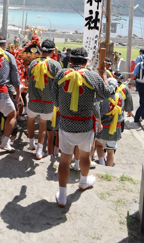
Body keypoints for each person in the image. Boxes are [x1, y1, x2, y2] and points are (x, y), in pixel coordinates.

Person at [51, 47, 114, 207]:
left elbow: (55, 100)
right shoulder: (92, 76)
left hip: (66, 123)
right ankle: (83, 181)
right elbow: (108, 93)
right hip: (85, 125)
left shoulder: (61, 74)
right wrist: (104, 75)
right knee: (85, 157)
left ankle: (63, 196)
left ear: (70, 61)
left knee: (64, 161)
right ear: (86, 62)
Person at [27, 39, 62, 159]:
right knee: (42, 125)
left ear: (41, 50)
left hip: (33, 99)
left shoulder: (32, 63)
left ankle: (31, 143)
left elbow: (29, 81)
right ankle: (39, 151)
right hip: (48, 102)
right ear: (53, 51)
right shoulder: (56, 65)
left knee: (30, 120)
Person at [95, 77, 133, 166]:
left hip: (103, 127)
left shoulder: (103, 98)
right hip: (115, 128)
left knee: (99, 146)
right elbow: (122, 108)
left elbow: (100, 112)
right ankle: (108, 169)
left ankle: (102, 163)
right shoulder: (119, 96)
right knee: (110, 151)